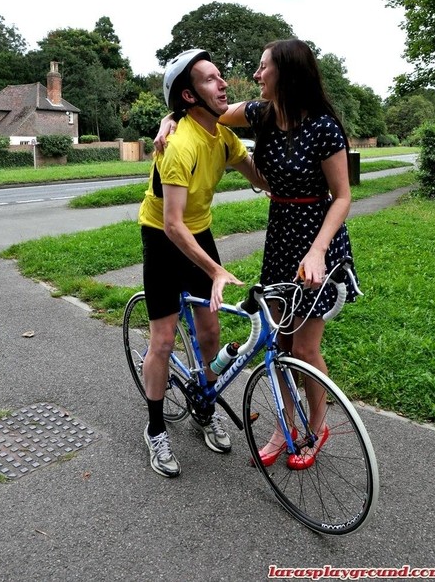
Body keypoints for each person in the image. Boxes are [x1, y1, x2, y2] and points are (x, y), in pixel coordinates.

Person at [155, 38, 359, 470]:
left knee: (304, 347)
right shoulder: (259, 113)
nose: (255, 75)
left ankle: (314, 426)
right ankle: (283, 425)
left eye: (263, 67)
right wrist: (166, 121)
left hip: (316, 235)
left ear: (286, 73)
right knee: (279, 340)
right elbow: (194, 108)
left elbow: (342, 197)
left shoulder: (324, 126)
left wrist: (319, 251)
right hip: (282, 234)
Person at [139, 48, 268, 478]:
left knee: (210, 329)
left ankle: (204, 404)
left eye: (221, 76)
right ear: (189, 96)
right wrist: (214, 269)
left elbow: (259, 177)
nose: (223, 83)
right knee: (162, 340)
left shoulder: (224, 136)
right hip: (163, 237)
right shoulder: (178, 145)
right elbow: (173, 225)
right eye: (211, 79)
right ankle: (155, 429)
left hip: (201, 232)